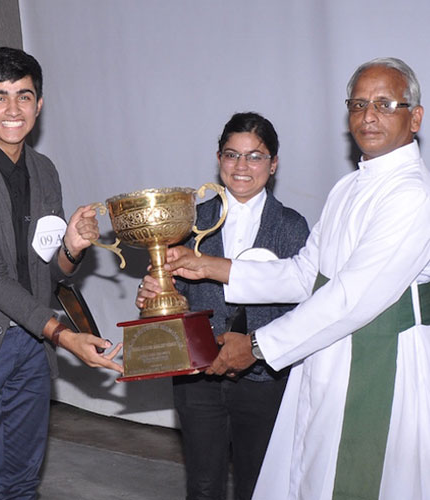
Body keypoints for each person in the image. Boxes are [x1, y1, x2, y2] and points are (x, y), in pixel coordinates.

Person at [165, 58, 430, 500]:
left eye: (384, 104)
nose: (368, 115)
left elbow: (352, 298)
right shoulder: (349, 187)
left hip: (381, 364)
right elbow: (306, 273)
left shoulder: (412, 194)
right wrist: (212, 267)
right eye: (358, 104)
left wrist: (256, 346)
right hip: (329, 356)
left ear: (415, 117)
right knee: (313, 476)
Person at [0, 47, 122, 499]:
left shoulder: (44, 171)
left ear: (39, 104)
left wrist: (72, 248)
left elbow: (45, 273)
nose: (13, 109)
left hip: (30, 347)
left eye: (24, 95)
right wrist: (64, 336)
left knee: (20, 484)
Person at [137, 112, 309, 500]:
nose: (242, 166)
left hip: (265, 377)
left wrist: (258, 345)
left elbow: (302, 308)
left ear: (273, 164)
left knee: (259, 486)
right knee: (202, 486)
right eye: (232, 155)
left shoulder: (292, 226)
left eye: (255, 156)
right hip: (198, 375)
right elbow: (175, 292)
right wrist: (154, 293)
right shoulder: (188, 220)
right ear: (219, 160)